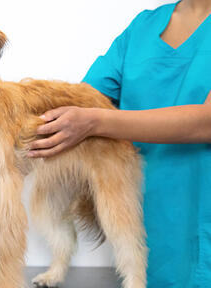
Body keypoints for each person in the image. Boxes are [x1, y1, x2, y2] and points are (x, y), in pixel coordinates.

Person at [27, 0, 211, 287]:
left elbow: (207, 122)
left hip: (200, 215)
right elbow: (83, 99)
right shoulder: (143, 27)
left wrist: (97, 121)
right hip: (139, 221)